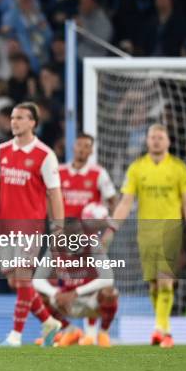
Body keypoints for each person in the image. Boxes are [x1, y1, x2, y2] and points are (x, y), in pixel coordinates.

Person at [104, 124, 186, 348]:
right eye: (152, 137)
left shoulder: (178, 168)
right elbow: (126, 201)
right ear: (147, 141)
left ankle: (159, 327)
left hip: (171, 231)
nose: (156, 141)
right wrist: (112, 228)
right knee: (154, 284)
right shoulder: (137, 168)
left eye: (160, 137)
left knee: (166, 279)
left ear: (168, 141)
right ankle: (165, 331)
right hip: (145, 234)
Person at [0, 102, 63, 347]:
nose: (14, 121)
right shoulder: (2, 151)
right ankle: (49, 322)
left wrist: (58, 227)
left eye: (20, 117)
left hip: (31, 226)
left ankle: (15, 335)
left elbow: (54, 194)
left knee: (24, 278)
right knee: (15, 281)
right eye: (13, 117)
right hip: (6, 226)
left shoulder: (45, 155)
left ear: (33, 123)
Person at [58, 133, 117, 345]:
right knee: (63, 281)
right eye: (80, 145)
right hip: (65, 237)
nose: (83, 149)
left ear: (91, 151)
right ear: (74, 147)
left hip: (90, 240)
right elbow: (50, 199)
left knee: (93, 281)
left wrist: (108, 227)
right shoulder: (60, 172)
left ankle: (92, 334)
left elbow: (113, 201)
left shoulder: (98, 174)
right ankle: (64, 330)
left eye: (87, 147)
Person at [33, 218, 118, 348]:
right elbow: (36, 280)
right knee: (33, 296)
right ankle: (69, 331)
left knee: (110, 292)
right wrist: (55, 293)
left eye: (79, 234)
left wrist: (76, 292)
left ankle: (103, 333)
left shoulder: (93, 244)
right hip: (65, 302)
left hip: (92, 301)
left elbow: (108, 278)